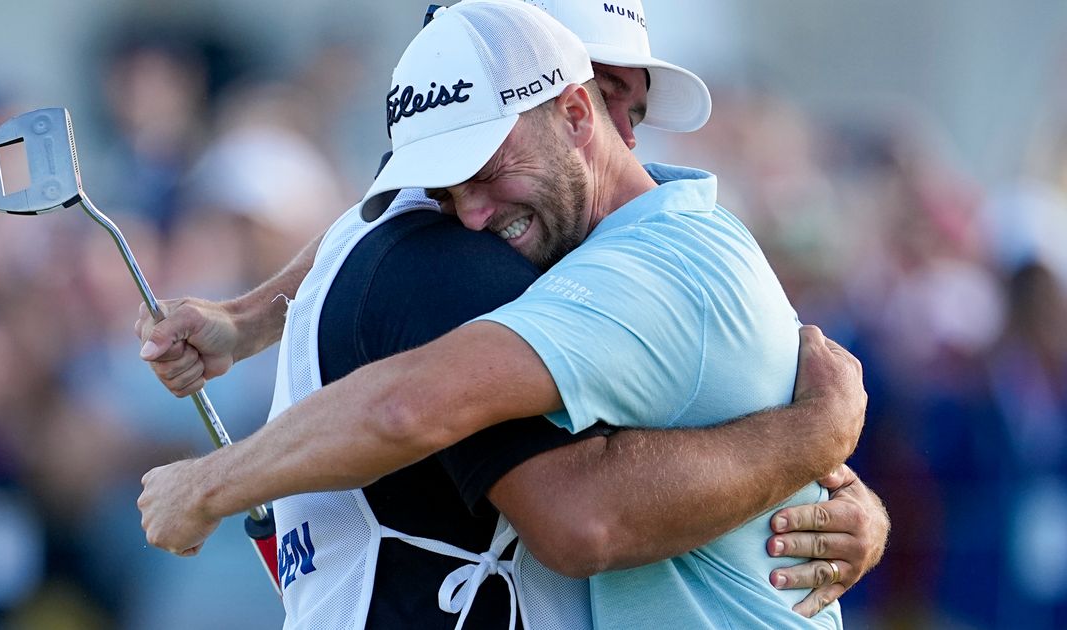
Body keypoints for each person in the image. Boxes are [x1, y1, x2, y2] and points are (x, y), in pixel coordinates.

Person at [138, 1, 885, 627]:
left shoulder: (648, 266)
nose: (468, 219)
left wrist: (205, 488)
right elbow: (384, 237)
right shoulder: (598, 242)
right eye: (448, 189)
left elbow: (421, 414)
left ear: (574, 108)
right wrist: (246, 321)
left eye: (630, 94)